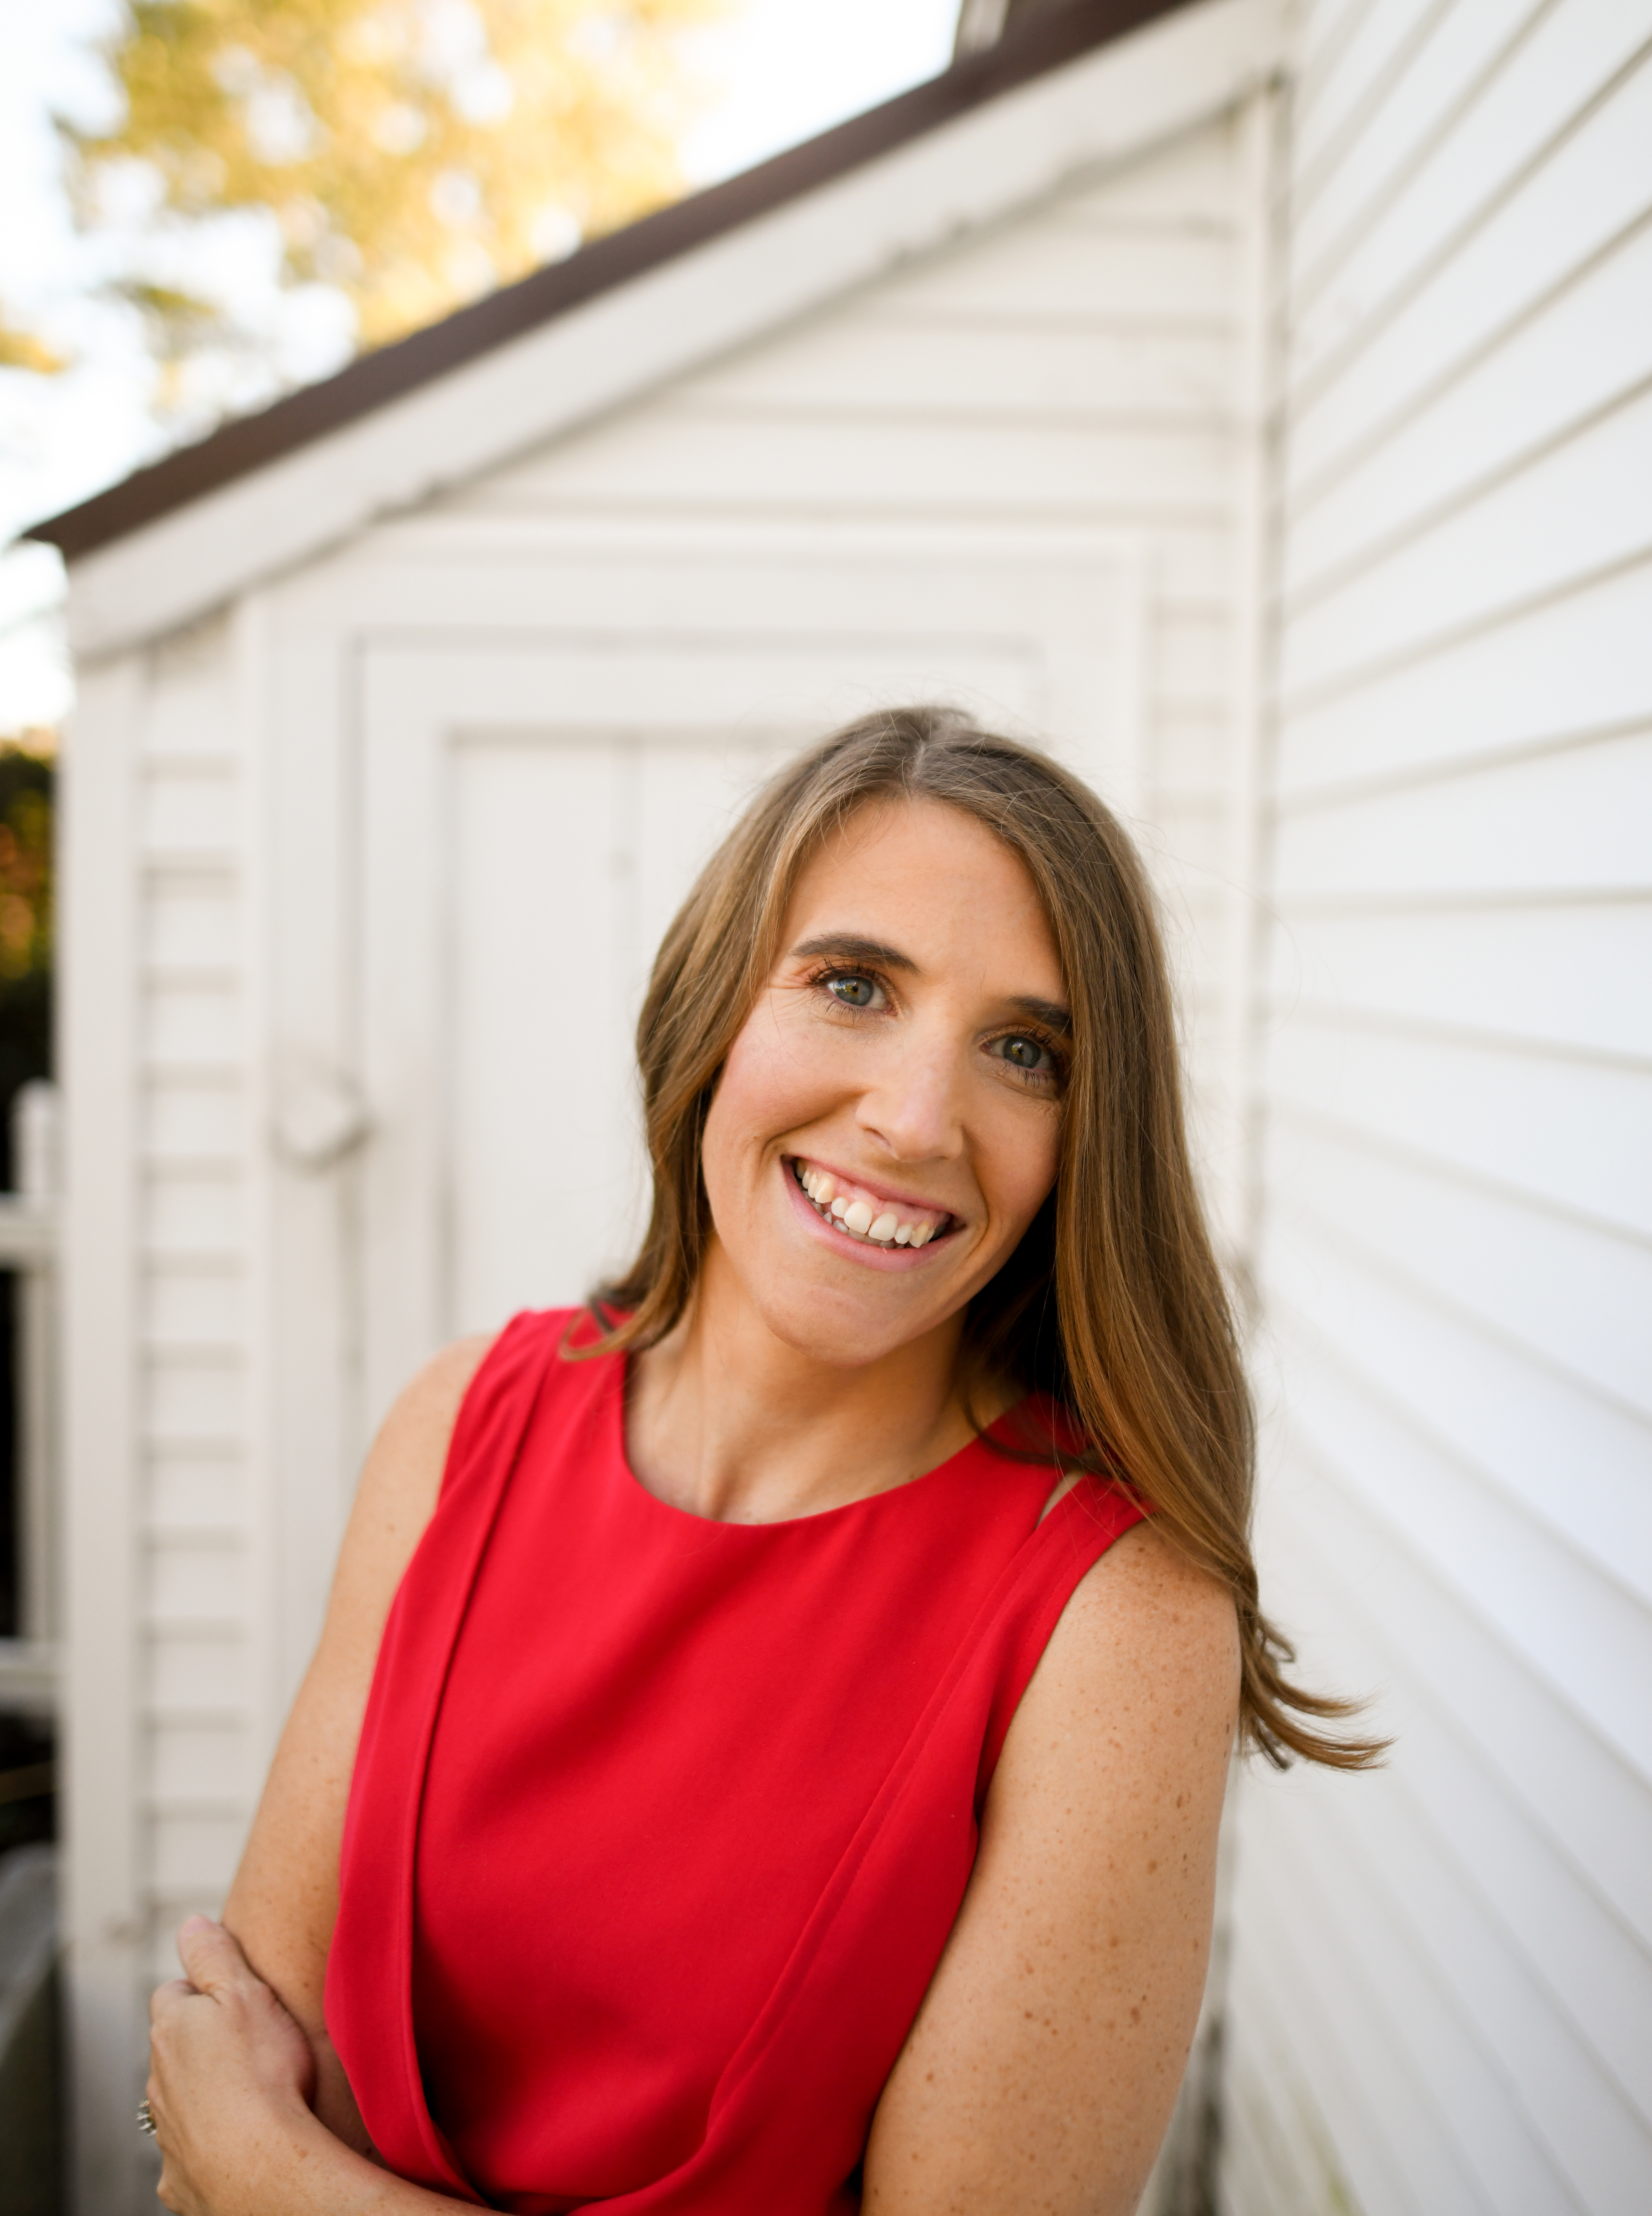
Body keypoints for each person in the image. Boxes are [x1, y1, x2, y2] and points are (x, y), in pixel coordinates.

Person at [144, 707, 1374, 2215]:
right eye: (854, 985)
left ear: (1083, 1136)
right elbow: (231, 2094)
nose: (919, 1121)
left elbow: (236, 2150)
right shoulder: (464, 1424)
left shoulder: (1117, 1621)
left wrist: (289, 2189)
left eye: (1024, 1051)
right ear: (715, 1004)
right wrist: (243, 2165)